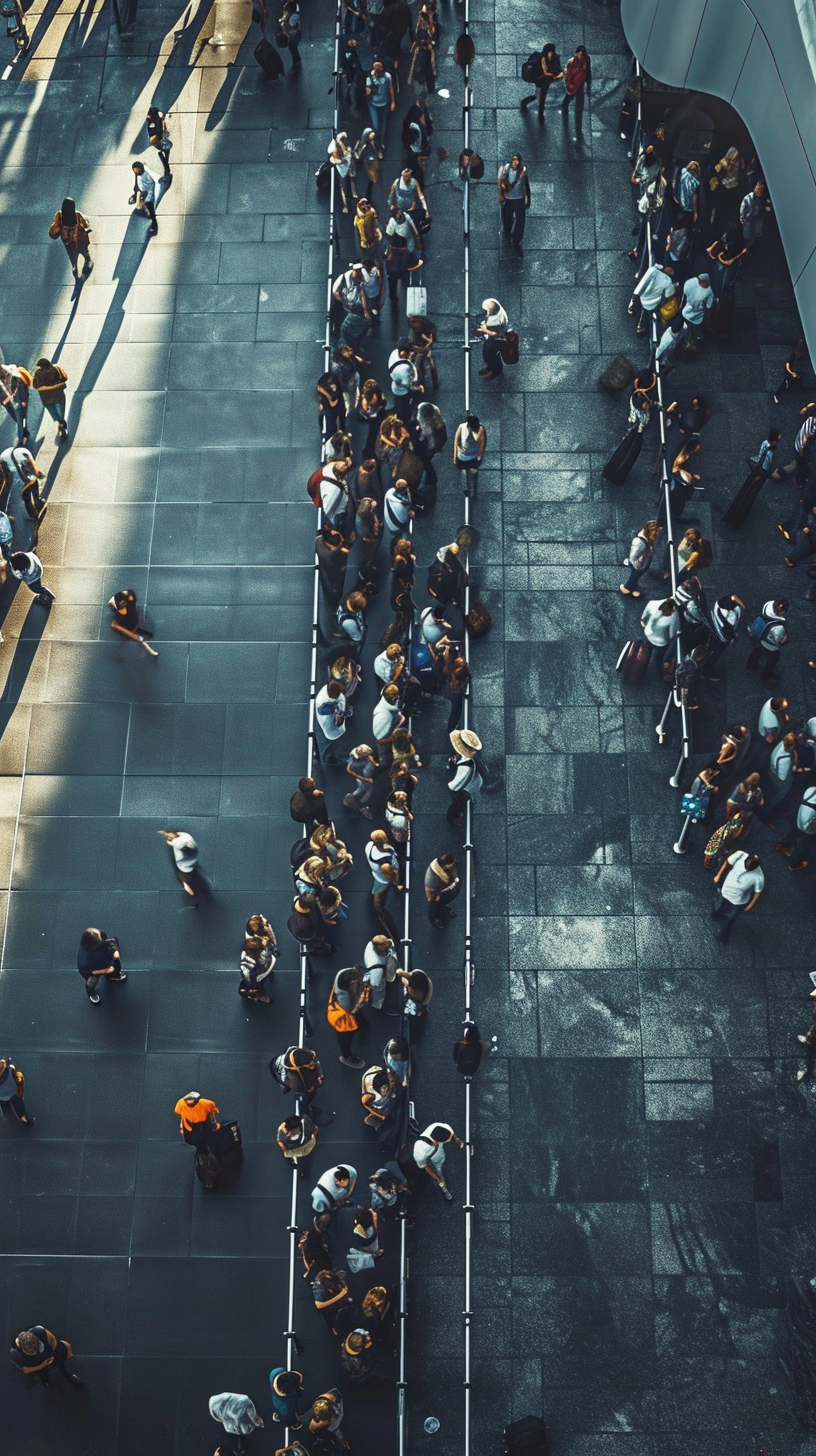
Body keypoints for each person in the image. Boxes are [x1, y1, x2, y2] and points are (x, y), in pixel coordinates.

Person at [721, 430, 783, 527]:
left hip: (757, 470)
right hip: (759, 474)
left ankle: (731, 516)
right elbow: (765, 464)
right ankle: (735, 519)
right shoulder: (770, 451)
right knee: (749, 496)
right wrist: (761, 474)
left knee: (744, 492)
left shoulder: (765, 443)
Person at [711, 851, 764, 943]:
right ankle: (718, 913)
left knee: (731, 919)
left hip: (739, 900)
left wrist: (750, 905)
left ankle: (723, 936)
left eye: (749, 869)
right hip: (726, 890)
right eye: (746, 867)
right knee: (722, 904)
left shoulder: (759, 877)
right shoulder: (740, 855)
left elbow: (757, 892)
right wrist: (718, 875)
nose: (746, 870)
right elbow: (727, 862)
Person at [9, 1327, 83, 1388]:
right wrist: (43, 1365)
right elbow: (25, 1370)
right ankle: (47, 1382)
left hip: (49, 1354)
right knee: (43, 1374)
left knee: (60, 1364)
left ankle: (66, 1374)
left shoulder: (39, 1331)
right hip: (35, 1364)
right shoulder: (15, 1353)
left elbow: (53, 1340)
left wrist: (53, 1353)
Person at [327, 966, 369, 1068]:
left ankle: (362, 1024)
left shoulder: (342, 974)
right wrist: (362, 1000)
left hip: (346, 1014)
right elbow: (352, 1010)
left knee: (359, 1019)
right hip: (344, 1024)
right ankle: (346, 1057)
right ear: (351, 984)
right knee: (346, 1040)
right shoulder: (344, 1001)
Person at [412, 1121, 464, 1201]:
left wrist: (457, 1140)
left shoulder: (437, 1126)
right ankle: (444, 1189)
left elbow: (450, 1132)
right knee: (440, 1176)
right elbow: (426, 1168)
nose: (449, 1142)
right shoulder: (420, 1152)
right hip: (434, 1164)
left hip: (438, 1155)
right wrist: (437, 1178)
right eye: (447, 1141)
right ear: (436, 1142)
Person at [76, 927, 127, 1005]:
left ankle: (114, 975)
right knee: (91, 982)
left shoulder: (101, 936)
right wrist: (106, 970)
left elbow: (111, 941)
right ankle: (91, 993)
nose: (102, 935)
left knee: (116, 965)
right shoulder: (84, 959)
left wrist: (115, 950)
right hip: (94, 970)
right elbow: (89, 971)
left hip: (106, 960)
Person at [47, 197, 93, 280]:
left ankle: (76, 266)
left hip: (71, 239)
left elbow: (84, 223)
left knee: (75, 253)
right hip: (75, 239)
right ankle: (83, 262)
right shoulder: (63, 215)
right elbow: (84, 223)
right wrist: (87, 229)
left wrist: (86, 228)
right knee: (81, 251)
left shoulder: (66, 215)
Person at [447, 728, 484, 827]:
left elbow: (456, 784)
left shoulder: (465, 764)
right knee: (459, 801)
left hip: (466, 786)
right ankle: (454, 814)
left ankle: (453, 815)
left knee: (458, 802)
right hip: (470, 785)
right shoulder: (468, 762)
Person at [745, 598, 789, 681]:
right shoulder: (779, 627)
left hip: (757, 636)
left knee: (757, 650)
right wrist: (785, 640)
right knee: (773, 659)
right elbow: (778, 641)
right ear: (783, 612)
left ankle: (750, 666)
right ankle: (766, 676)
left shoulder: (767, 607)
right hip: (767, 643)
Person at [108, 588, 159, 657]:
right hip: (124, 620)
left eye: (124, 603)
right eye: (121, 604)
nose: (123, 605)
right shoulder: (119, 614)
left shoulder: (130, 598)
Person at [1, 445, 46, 521]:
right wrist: (37, 474)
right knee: (32, 492)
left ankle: (34, 513)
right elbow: (33, 467)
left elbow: (8, 479)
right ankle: (37, 504)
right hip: (28, 478)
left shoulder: (6, 459)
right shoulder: (24, 452)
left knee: (27, 498)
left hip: (21, 482)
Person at [775, 785, 816, 870]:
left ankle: (782, 845)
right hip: (808, 823)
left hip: (799, 813)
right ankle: (794, 864)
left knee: (793, 832)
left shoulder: (811, 789)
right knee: (805, 843)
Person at [519, 42, 563, 120]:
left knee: (540, 96)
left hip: (545, 81)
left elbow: (557, 69)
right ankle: (538, 112)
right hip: (541, 81)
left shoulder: (542, 57)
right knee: (540, 96)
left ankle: (533, 108)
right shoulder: (539, 59)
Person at [497, 152, 530, 255]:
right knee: (507, 217)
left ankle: (516, 240)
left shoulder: (522, 171)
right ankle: (507, 231)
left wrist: (527, 198)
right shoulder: (505, 169)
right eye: (513, 159)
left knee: (520, 221)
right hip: (508, 198)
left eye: (517, 160)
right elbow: (500, 182)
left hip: (519, 198)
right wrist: (501, 195)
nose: (515, 162)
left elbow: (526, 185)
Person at [620, 520, 662, 598]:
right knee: (635, 575)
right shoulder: (640, 543)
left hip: (643, 562)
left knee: (636, 576)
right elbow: (633, 557)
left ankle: (634, 587)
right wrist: (638, 566)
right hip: (640, 565)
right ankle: (627, 588)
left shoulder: (645, 539)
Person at [32, 358, 69, 443]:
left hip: (46, 399)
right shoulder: (56, 368)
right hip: (59, 396)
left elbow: (35, 385)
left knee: (55, 415)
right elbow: (65, 378)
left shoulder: (38, 373)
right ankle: (62, 426)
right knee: (61, 414)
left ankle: (61, 425)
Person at [640, 596, 680, 676]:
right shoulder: (673, 617)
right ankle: (660, 673)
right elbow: (672, 635)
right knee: (658, 658)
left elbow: (643, 619)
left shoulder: (652, 603)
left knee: (645, 652)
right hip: (660, 642)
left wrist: (647, 627)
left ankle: (641, 667)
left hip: (648, 635)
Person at [157, 828, 200, 902]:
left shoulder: (178, 843)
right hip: (192, 861)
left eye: (169, 834)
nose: (168, 836)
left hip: (185, 867)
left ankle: (192, 894)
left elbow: (171, 842)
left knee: (183, 880)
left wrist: (166, 837)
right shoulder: (185, 835)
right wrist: (165, 833)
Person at [559, 45, 591, 134]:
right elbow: (568, 74)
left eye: (582, 54)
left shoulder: (586, 60)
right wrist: (569, 85)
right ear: (576, 53)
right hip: (573, 84)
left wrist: (588, 84)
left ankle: (578, 129)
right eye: (579, 54)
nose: (580, 56)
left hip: (580, 85)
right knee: (569, 96)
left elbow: (588, 72)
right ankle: (564, 106)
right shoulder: (572, 62)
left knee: (579, 108)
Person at [366, 60, 396, 154]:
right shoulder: (369, 77)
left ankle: (381, 144)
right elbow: (367, 90)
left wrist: (393, 102)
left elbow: (390, 88)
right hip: (373, 104)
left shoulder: (387, 76)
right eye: (376, 67)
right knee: (376, 126)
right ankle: (376, 143)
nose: (378, 68)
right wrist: (368, 91)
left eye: (380, 66)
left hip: (384, 103)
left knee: (383, 125)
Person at [453, 414, 487, 496]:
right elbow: (483, 444)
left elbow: (456, 442)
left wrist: (455, 458)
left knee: (464, 470)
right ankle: (471, 487)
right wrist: (479, 456)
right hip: (473, 456)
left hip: (463, 456)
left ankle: (467, 488)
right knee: (472, 471)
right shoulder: (481, 430)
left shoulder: (462, 427)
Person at [424, 852, 460, 928]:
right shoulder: (432, 878)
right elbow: (436, 891)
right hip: (435, 894)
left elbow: (453, 871)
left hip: (443, 889)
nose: (453, 865)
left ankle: (445, 909)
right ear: (446, 865)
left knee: (443, 902)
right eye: (452, 864)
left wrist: (455, 877)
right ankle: (434, 920)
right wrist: (452, 886)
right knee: (434, 907)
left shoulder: (444, 867)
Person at [477, 297, 509, 379]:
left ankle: (495, 371)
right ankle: (490, 367)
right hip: (491, 340)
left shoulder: (497, 321)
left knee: (491, 355)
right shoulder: (496, 314)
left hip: (496, 341)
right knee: (487, 355)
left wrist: (485, 329)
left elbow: (495, 334)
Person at [129, 161, 160, 235]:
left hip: (148, 194)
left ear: (139, 169)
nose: (134, 171)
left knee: (149, 205)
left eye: (136, 169)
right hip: (142, 192)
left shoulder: (147, 176)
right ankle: (136, 197)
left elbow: (150, 188)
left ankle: (154, 224)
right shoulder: (138, 175)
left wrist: (148, 198)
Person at [0, 1058, 34, 1126]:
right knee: (18, 1105)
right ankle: (24, 1119)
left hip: (4, 1096)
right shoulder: (10, 1070)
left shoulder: (9, 1070)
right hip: (11, 1094)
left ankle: (5, 1115)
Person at [681, 272, 715, 340]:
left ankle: (687, 327)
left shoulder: (691, 282)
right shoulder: (708, 291)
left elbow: (685, 291)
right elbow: (709, 305)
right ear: (702, 282)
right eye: (707, 281)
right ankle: (697, 336)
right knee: (697, 325)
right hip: (698, 312)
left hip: (688, 308)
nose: (708, 283)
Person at [740, 180, 770, 248]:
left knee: (758, 233)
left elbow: (765, 205)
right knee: (747, 234)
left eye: (760, 189)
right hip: (748, 219)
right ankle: (747, 245)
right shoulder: (748, 198)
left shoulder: (763, 196)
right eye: (757, 188)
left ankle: (754, 245)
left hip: (759, 217)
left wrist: (766, 207)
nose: (759, 190)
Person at [146, 105, 172, 178]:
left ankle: (167, 171)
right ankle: (167, 171)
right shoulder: (156, 120)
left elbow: (159, 131)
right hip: (161, 142)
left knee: (164, 156)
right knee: (165, 156)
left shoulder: (153, 122)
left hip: (161, 142)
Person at [279, 0, 302, 69]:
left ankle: (297, 60)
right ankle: (296, 59)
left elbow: (291, 24)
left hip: (295, 35)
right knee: (292, 47)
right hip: (292, 34)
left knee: (293, 47)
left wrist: (284, 21)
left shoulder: (294, 16)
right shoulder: (292, 14)